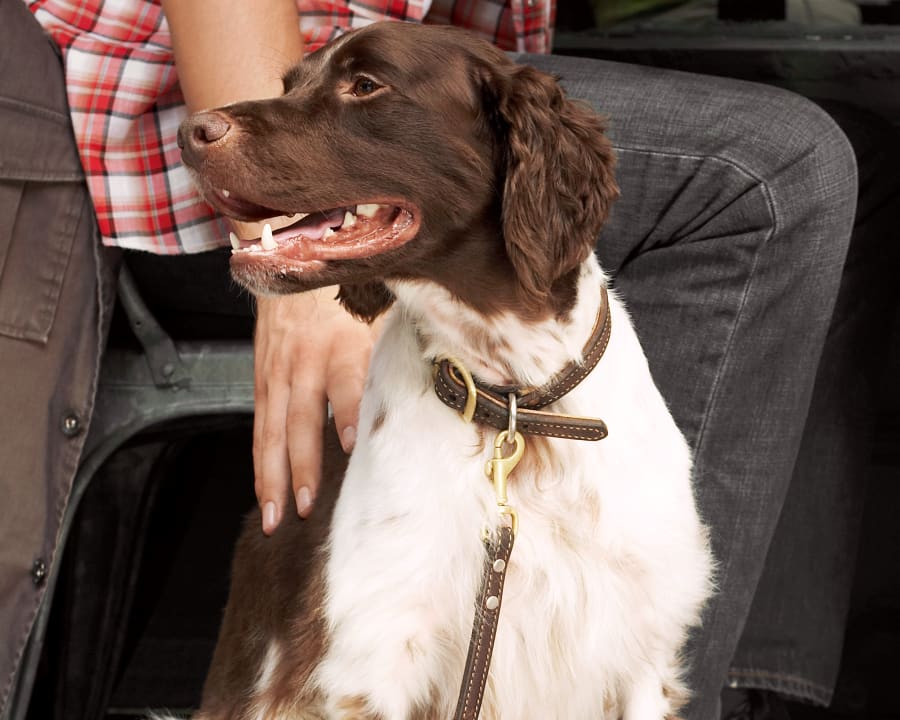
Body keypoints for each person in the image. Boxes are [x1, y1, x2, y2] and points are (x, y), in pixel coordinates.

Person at [1, 0, 893, 718]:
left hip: (398, 98)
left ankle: (742, 690)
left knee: (865, 149)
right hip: (144, 105)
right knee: (780, 173)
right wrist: (306, 254)